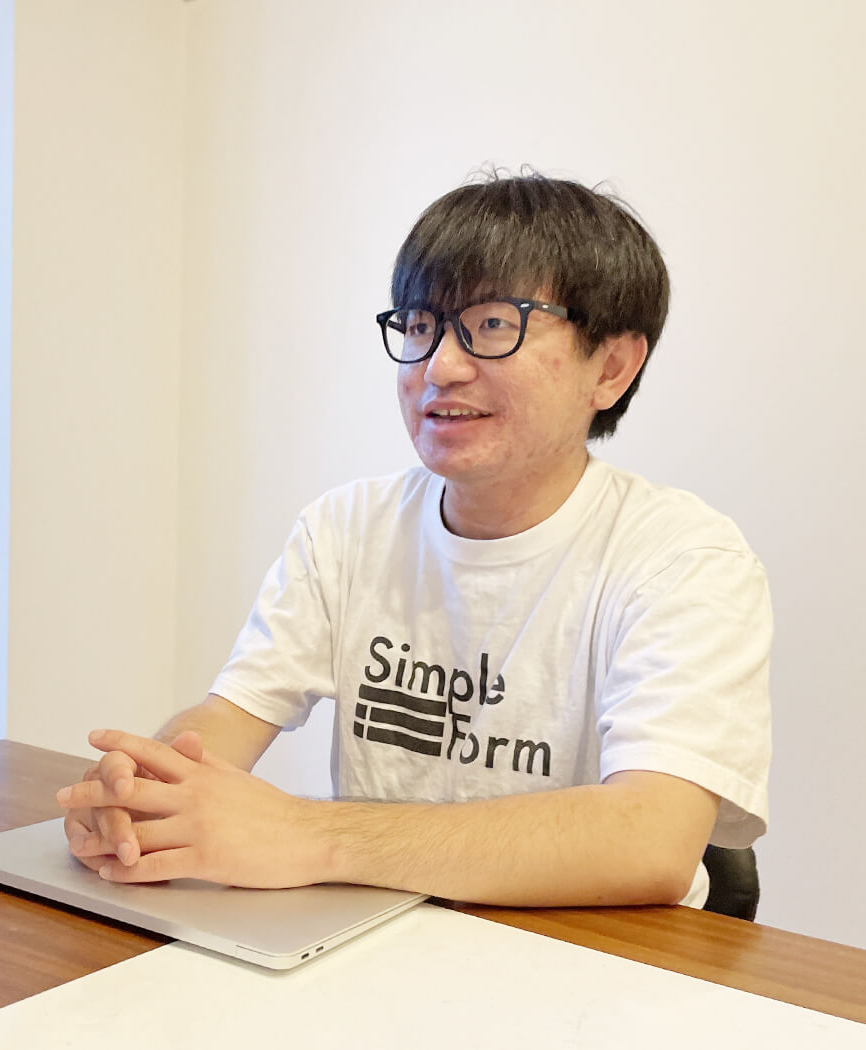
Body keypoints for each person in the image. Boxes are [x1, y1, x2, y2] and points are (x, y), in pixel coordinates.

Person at [56, 172, 772, 908]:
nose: (439, 367)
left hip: (595, 955)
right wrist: (142, 792)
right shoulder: (346, 528)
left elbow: (649, 839)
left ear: (611, 369)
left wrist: (309, 833)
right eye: (422, 327)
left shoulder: (684, 561)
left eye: (493, 325)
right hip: (375, 934)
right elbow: (229, 718)